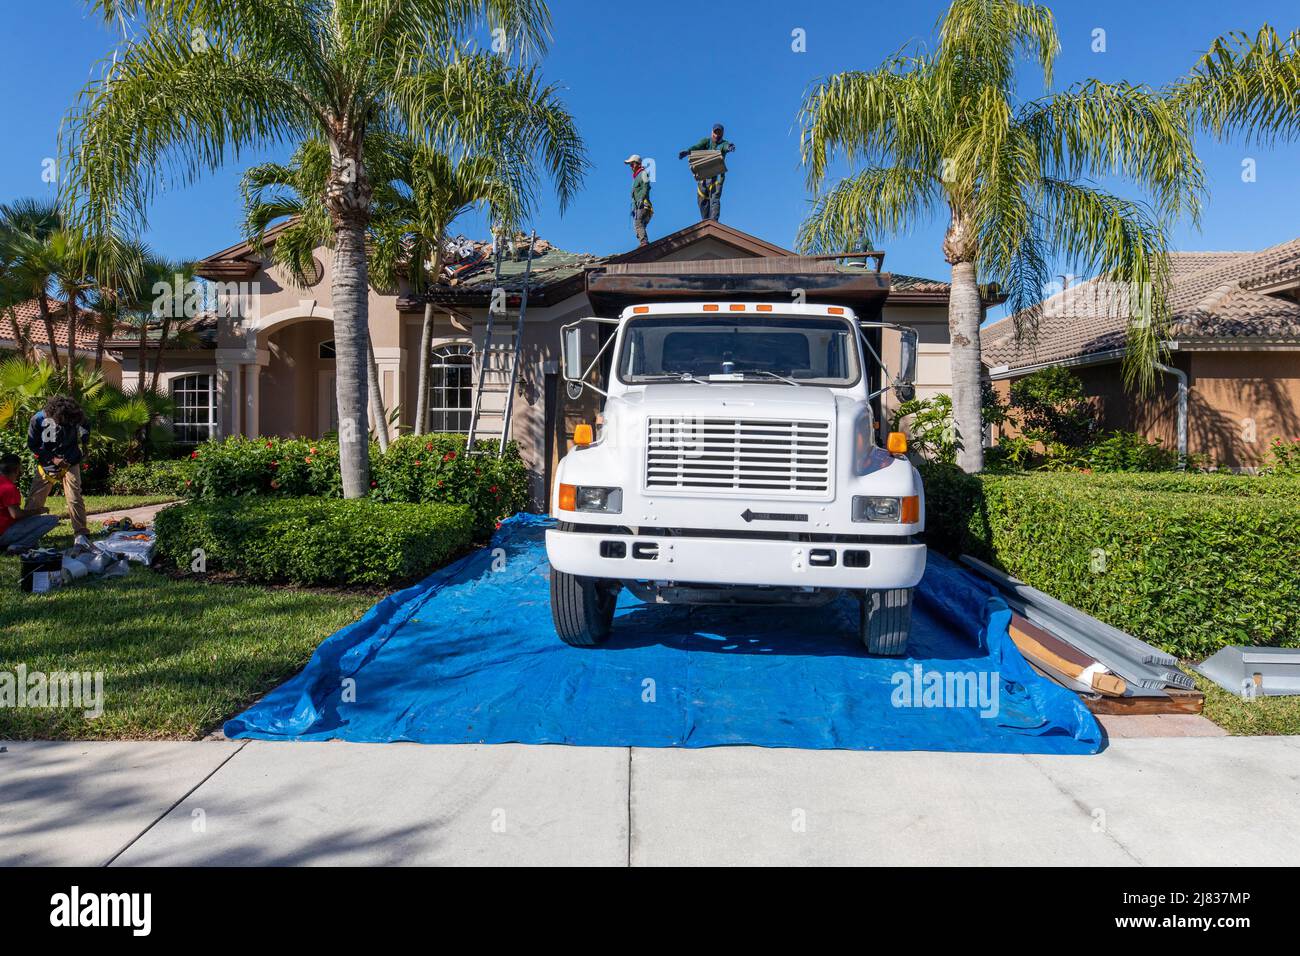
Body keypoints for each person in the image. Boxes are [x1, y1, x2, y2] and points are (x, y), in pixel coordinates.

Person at [26, 395, 91, 549]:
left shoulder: (72, 414)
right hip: (47, 464)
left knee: (74, 496)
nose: (66, 422)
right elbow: (33, 444)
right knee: (35, 499)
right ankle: (27, 533)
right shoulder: (38, 419)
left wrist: (85, 443)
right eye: (62, 420)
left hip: (70, 461)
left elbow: (85, 424)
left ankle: (81, 534)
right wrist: (53, 459)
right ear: (55, 415)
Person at [0, 453, 59, 554]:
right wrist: (38, 511)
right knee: (52, 519)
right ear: (16, 470)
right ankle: (18, 546)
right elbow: (16, 514)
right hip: (3, 534)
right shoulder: (9, 488)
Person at [679, 123, 736, 222]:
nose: (717, 135)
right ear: (712, 132)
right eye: (715, 132)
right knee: (702, 199)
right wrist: (688, 152)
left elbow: (726, 146)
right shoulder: (706, 141)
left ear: (722, 134)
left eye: (719, 133)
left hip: (717, 176)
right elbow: (697, 146)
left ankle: (713, 221)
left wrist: (729, 147)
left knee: (714, 198)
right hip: (704, 176)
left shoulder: (723, 143)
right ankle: (705, 222)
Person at [624, 154, 653, 246]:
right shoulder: (636, 177)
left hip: (643, 205)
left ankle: (644, 242)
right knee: (639, 225)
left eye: (632, 164)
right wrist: (634, 208)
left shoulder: (643, 173)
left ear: (638, 164)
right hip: (638, 207)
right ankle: (643, 242)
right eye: (630, 165)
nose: (631, 167)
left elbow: (646, 187)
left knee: (638, 223)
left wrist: (641, 198)